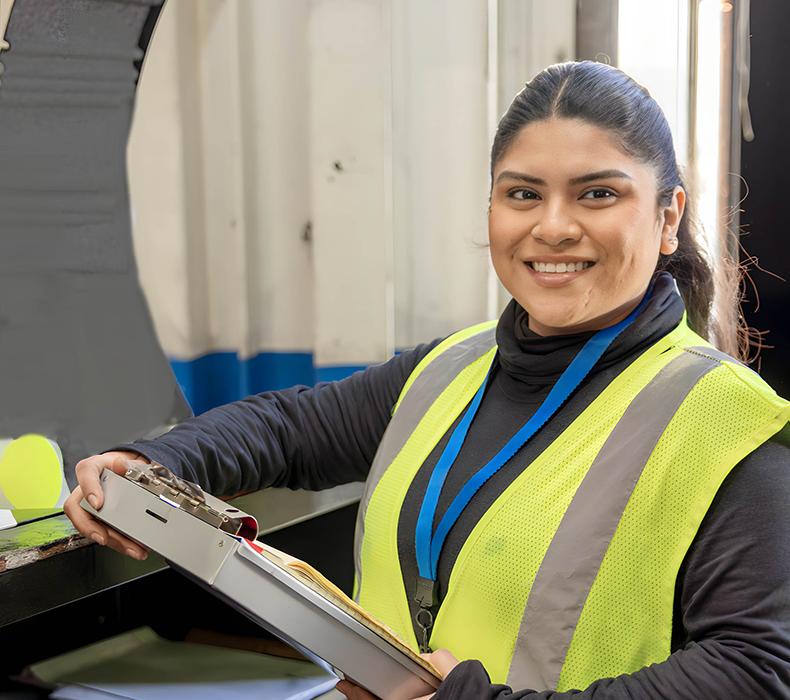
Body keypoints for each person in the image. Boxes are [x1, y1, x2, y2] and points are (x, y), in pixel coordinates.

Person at [65, 61, 790, 699]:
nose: (554, 226)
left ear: (668, 217)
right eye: (523, 194)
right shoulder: (450, 369)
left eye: (598, 194)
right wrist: (156, 465)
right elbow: (289, 428)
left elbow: (755, 671)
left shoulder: (727, 424)